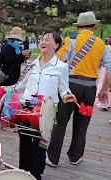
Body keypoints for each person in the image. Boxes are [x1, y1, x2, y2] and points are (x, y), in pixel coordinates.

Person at [47, 11, 111, 167]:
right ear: (94, 26)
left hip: (70, 87)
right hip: (90, 88)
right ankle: (75, 156)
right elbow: (109, 68)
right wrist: (103, 89)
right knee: (82, 124)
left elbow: (57, 61)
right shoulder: (101, 44)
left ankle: (53, 158)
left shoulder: (71, 40)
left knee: (61, 122)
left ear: (79, 27)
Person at [15, 32, 76, 180]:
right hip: (27, 107)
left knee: (40, 144)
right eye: (42, 39)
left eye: (47, 39)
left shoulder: (61, 67)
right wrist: (8, 89)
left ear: (56, 45)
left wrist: (67, 95)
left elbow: (63, 88)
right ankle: (23, 171)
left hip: (46, 111)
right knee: (24, 140)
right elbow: (22, 85)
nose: (43, 41)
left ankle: (36, 174)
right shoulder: (31, 64)